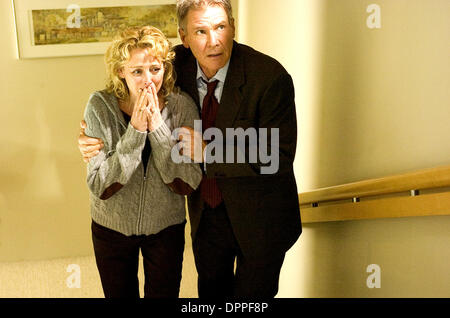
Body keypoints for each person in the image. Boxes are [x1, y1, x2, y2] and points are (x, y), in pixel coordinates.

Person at [79, 0, 301, 298]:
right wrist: (87, 135)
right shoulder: (172, 65)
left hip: (260, 216)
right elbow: (130, 79)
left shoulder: (270, 77)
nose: (214, 41)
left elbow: (279, 154)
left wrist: (210, 149)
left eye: (221, 27)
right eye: (200, 31)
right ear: (184, 37)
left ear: (232, 26)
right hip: (207, 215)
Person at [82, 25, 202, 298]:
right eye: (137, 71)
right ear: (121, 71)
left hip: (166, 228)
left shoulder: (182, 107)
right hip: (111, 227)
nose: (148, 80)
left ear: (165, 68)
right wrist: (135, 131)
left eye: (155, 69)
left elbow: (187, 182)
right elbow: (100, 184)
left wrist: (158, 128)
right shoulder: (99, 106)